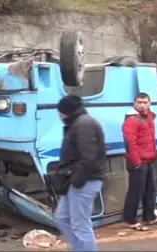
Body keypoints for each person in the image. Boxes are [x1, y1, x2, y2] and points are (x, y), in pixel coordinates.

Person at [54, 95, 106, 252]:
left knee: (80, 225)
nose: (59, 116)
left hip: (85, 181)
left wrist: (77, 181)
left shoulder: (84, 124)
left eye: (61, 112)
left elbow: (89, 157)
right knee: (62, 218)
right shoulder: (79, 123)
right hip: (77, 180)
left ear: (67, 111)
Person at [122, 92, 157, 231]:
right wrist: (136, 162)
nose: (142, 105)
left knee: (149, 191)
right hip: (139, 162)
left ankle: (149, 217)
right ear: (134, 103)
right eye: (139, 102)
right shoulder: (132, 120)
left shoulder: (149, 117)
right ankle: (131, 219)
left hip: (148, 160)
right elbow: (130, 143)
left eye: (145, 102)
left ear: (149, 104)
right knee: (136, 191)